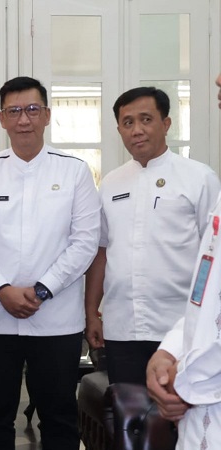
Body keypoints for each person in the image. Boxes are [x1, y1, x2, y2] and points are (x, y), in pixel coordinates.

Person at [0, 76, 101, 450]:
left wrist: (42, 289)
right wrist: (2, 290)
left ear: (48, 115)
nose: (24, 120)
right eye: (14, 111)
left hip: (56, 319)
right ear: (2, 119)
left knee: (58, 418)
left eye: (32, 110)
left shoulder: (75, 171)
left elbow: (85, 242)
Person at [84, 87, 221, 386]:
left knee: (177, 416)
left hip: (182, 325)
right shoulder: (110, 183)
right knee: (130, 418)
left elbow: (213, 254)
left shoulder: (200, 178)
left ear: (166, 123)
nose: (137, 130)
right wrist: (92, 313)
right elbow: (101, 252)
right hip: (122, 327)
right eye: (128, 122)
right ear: (119, 129)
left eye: (146, 119)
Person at [145, 74, 221, 449]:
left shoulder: (201, 178)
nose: (218, 79)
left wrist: (184, 377)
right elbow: (206, 296)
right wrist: (169, 350)